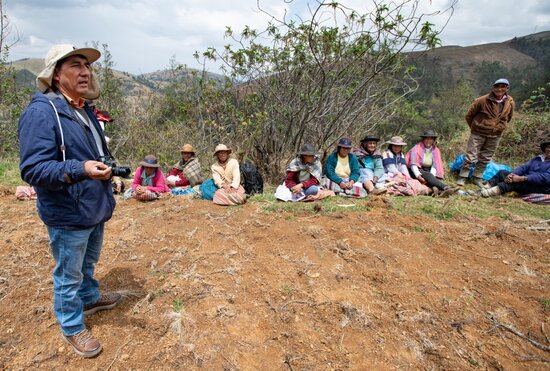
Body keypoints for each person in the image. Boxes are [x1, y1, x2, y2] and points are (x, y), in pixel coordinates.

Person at [18, 44, 121, 358]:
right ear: (56, 74)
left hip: (92, 207)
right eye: (76, 65)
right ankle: (72, 324)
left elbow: (93, 154)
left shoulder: (83, 109)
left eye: (87, 67)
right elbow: (33, 169)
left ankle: (88, 298)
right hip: (67, 212)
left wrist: (108, 168)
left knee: (87, 264)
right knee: (68, 273)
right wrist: (82, 168)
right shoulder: (41, 112)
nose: (85, 72)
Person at [457, 78, 515, 188]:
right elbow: (469, 116)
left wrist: (500, 127)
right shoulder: (482, 100)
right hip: (478, 133)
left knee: (486, 157)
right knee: (471, 155)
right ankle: (462, 176)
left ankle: (477, 177)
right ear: (493, 88)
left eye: (503, 87)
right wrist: (476, 127)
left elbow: (509, 117)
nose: (499, 89)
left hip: (495, 134)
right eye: (497, 87)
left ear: (507, 88)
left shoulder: (510, 102)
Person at [481, 140, 550, 197]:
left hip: (539, 187)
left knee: (513, 182)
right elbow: (524, 167)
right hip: (525, 180)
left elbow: (544, 178)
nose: (549, 149)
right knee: (503, 173)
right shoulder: (538, 158)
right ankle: (485, 187)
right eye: (548, 147)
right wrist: (512, 174)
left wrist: (522, 178)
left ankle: (485, 193)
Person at [406, 129, 456, 197]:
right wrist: (418, 176)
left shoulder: (436, 150)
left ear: (433, 140)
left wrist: (431, 177)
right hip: (415, 170)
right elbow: (413, 164)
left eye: (430, 139)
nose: (428, 141)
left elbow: (435, 165)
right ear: (423, 139)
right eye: (426, 138)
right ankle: (446, 188)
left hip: (428, 171)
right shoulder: (416, 148)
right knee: (427, 175)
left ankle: (439, 191)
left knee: (429, 176)